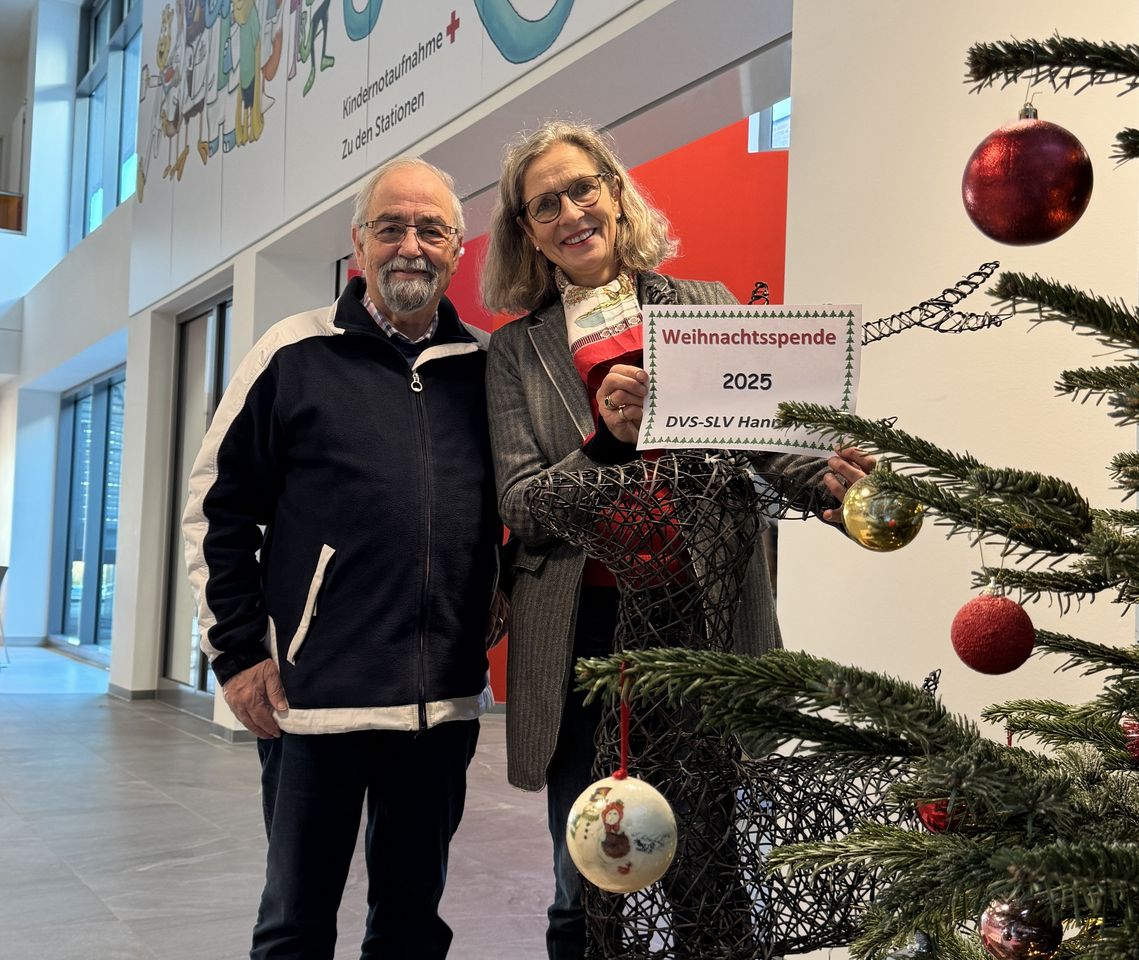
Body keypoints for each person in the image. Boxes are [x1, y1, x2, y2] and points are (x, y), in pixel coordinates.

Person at [479, 120, 873, 960]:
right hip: (581, 636)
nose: (569, 212)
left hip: (704, 618)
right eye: (544, 205)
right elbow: (521, 503)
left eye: (582, 188)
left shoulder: (703, 305)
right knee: (586, 868)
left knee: (708, 864)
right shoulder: (515, 351)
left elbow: (766, 447)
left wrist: (831, 486)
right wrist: (603, 445)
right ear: (526, 232)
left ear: (615, 195)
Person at [182, 156, 504, 960]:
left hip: (441, 707)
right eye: (389, 227)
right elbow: (216, 509)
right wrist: (237, 655)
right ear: (358, 243)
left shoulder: (486, 367)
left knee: (411, 927)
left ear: (457, 248)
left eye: (430, 229)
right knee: (294, 926)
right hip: (313, 699)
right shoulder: (292, 353)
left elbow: (520, 508)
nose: (410, 245)